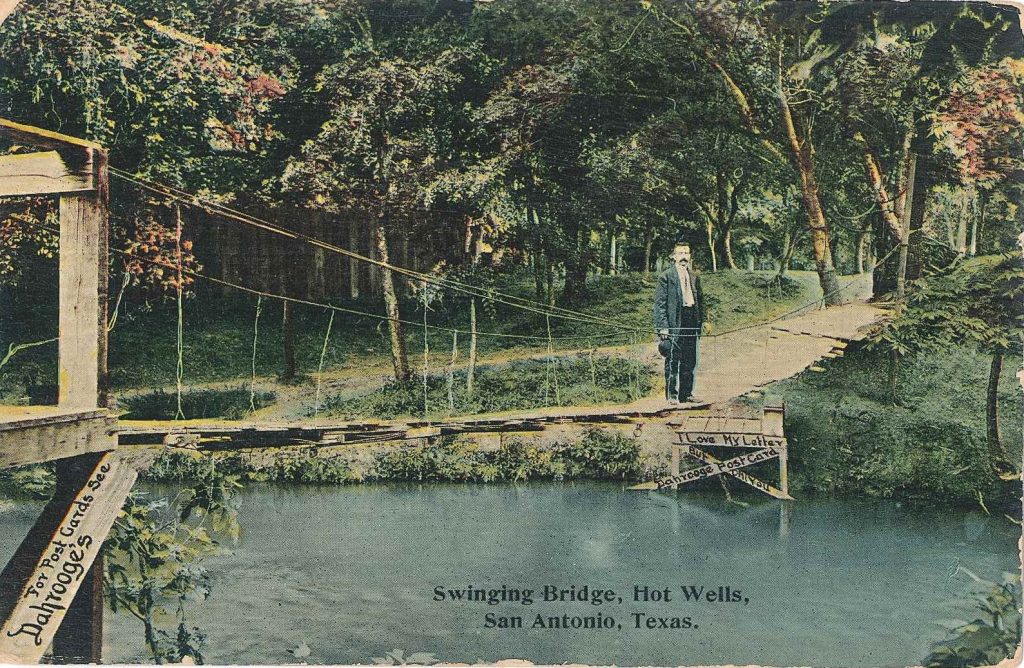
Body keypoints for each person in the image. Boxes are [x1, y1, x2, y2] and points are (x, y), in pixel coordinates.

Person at [653, 242, 706, 403]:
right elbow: (660, 304)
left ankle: (686, 394)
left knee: (690, 359)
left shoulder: (694, 276)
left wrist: (704, 320)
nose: (684, 256)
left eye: (686, 253)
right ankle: (672, 396)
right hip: (674, 322)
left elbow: (701, 301)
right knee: (673, 359)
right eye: (680, 253)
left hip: (691, 320)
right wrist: (663, 327)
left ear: (689, 256)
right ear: (674, 257)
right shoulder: (666, 277)